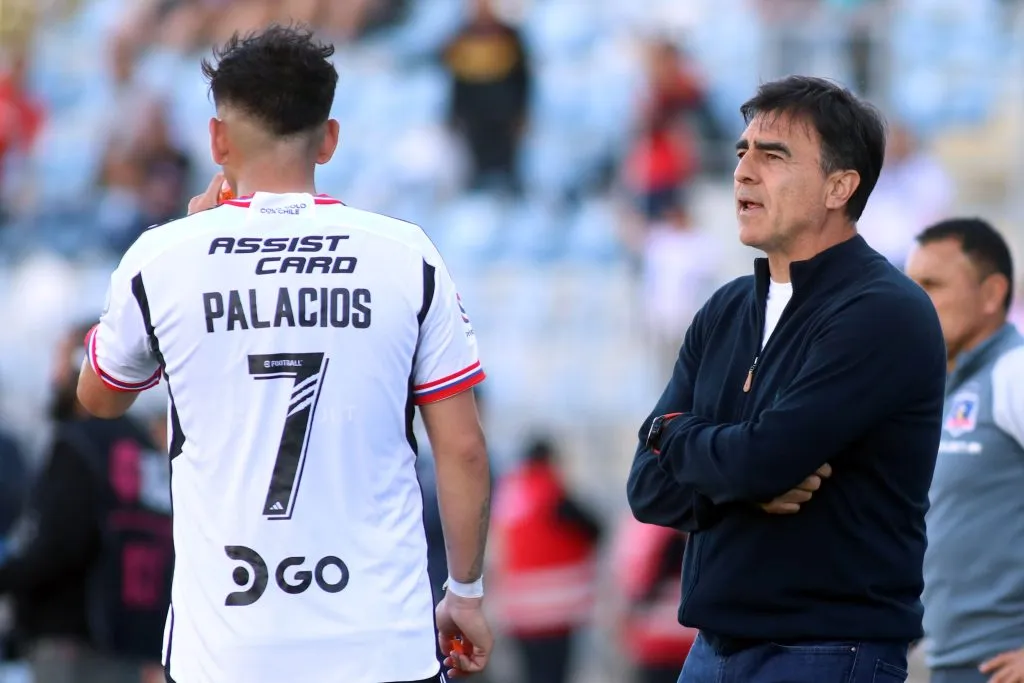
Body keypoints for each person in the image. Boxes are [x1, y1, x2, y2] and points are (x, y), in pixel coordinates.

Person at [74, 25, 493, 683]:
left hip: (227, 649)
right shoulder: (406, 254)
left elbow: (97, 395)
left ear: (217, 141)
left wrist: (190, 242)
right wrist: (464, 593)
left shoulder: (163, 256)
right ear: (329, 139)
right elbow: (463, 447)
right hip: (381, 642)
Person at [626, 75, 947, 683]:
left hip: (828, 650)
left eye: (773, 155)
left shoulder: (883, 311)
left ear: (839, 186)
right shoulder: (723, 309)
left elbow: (753, 459)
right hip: (709, 650)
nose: (744, 170)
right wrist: (738, 479)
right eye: (743, 151)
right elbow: (646, 489)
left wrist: (675, 437)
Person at [0, 322, 171, 683]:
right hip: (136, 641)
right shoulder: (141, 445)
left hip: (76, 640)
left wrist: (9, 576)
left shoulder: (79, 443)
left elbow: (56, 544)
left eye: (61, 362)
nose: (54, 375)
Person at [905, 218, 1024, 683]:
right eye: (909, 284)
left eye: (932, 285)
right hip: (953, 663)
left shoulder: (1014, 373)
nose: (914, 300)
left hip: (1000, 664)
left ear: (993, 294)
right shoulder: (943, 391)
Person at [489, 437, 603, 683]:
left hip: (519, 611)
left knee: (532, 675)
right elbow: (594, 528)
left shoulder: (510, 493)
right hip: (555, 612)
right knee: (554, 676)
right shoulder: (551, 492)